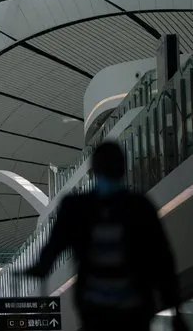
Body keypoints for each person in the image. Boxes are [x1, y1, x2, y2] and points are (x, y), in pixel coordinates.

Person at [26, 141, 185, 331]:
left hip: (96, 308)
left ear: (94, 170)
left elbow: (55, 245)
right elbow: (162, 260)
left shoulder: (76, 206)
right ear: (123, 170)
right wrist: (176, 309)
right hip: (132, 309)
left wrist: (41, 266)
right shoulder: (139, 206)